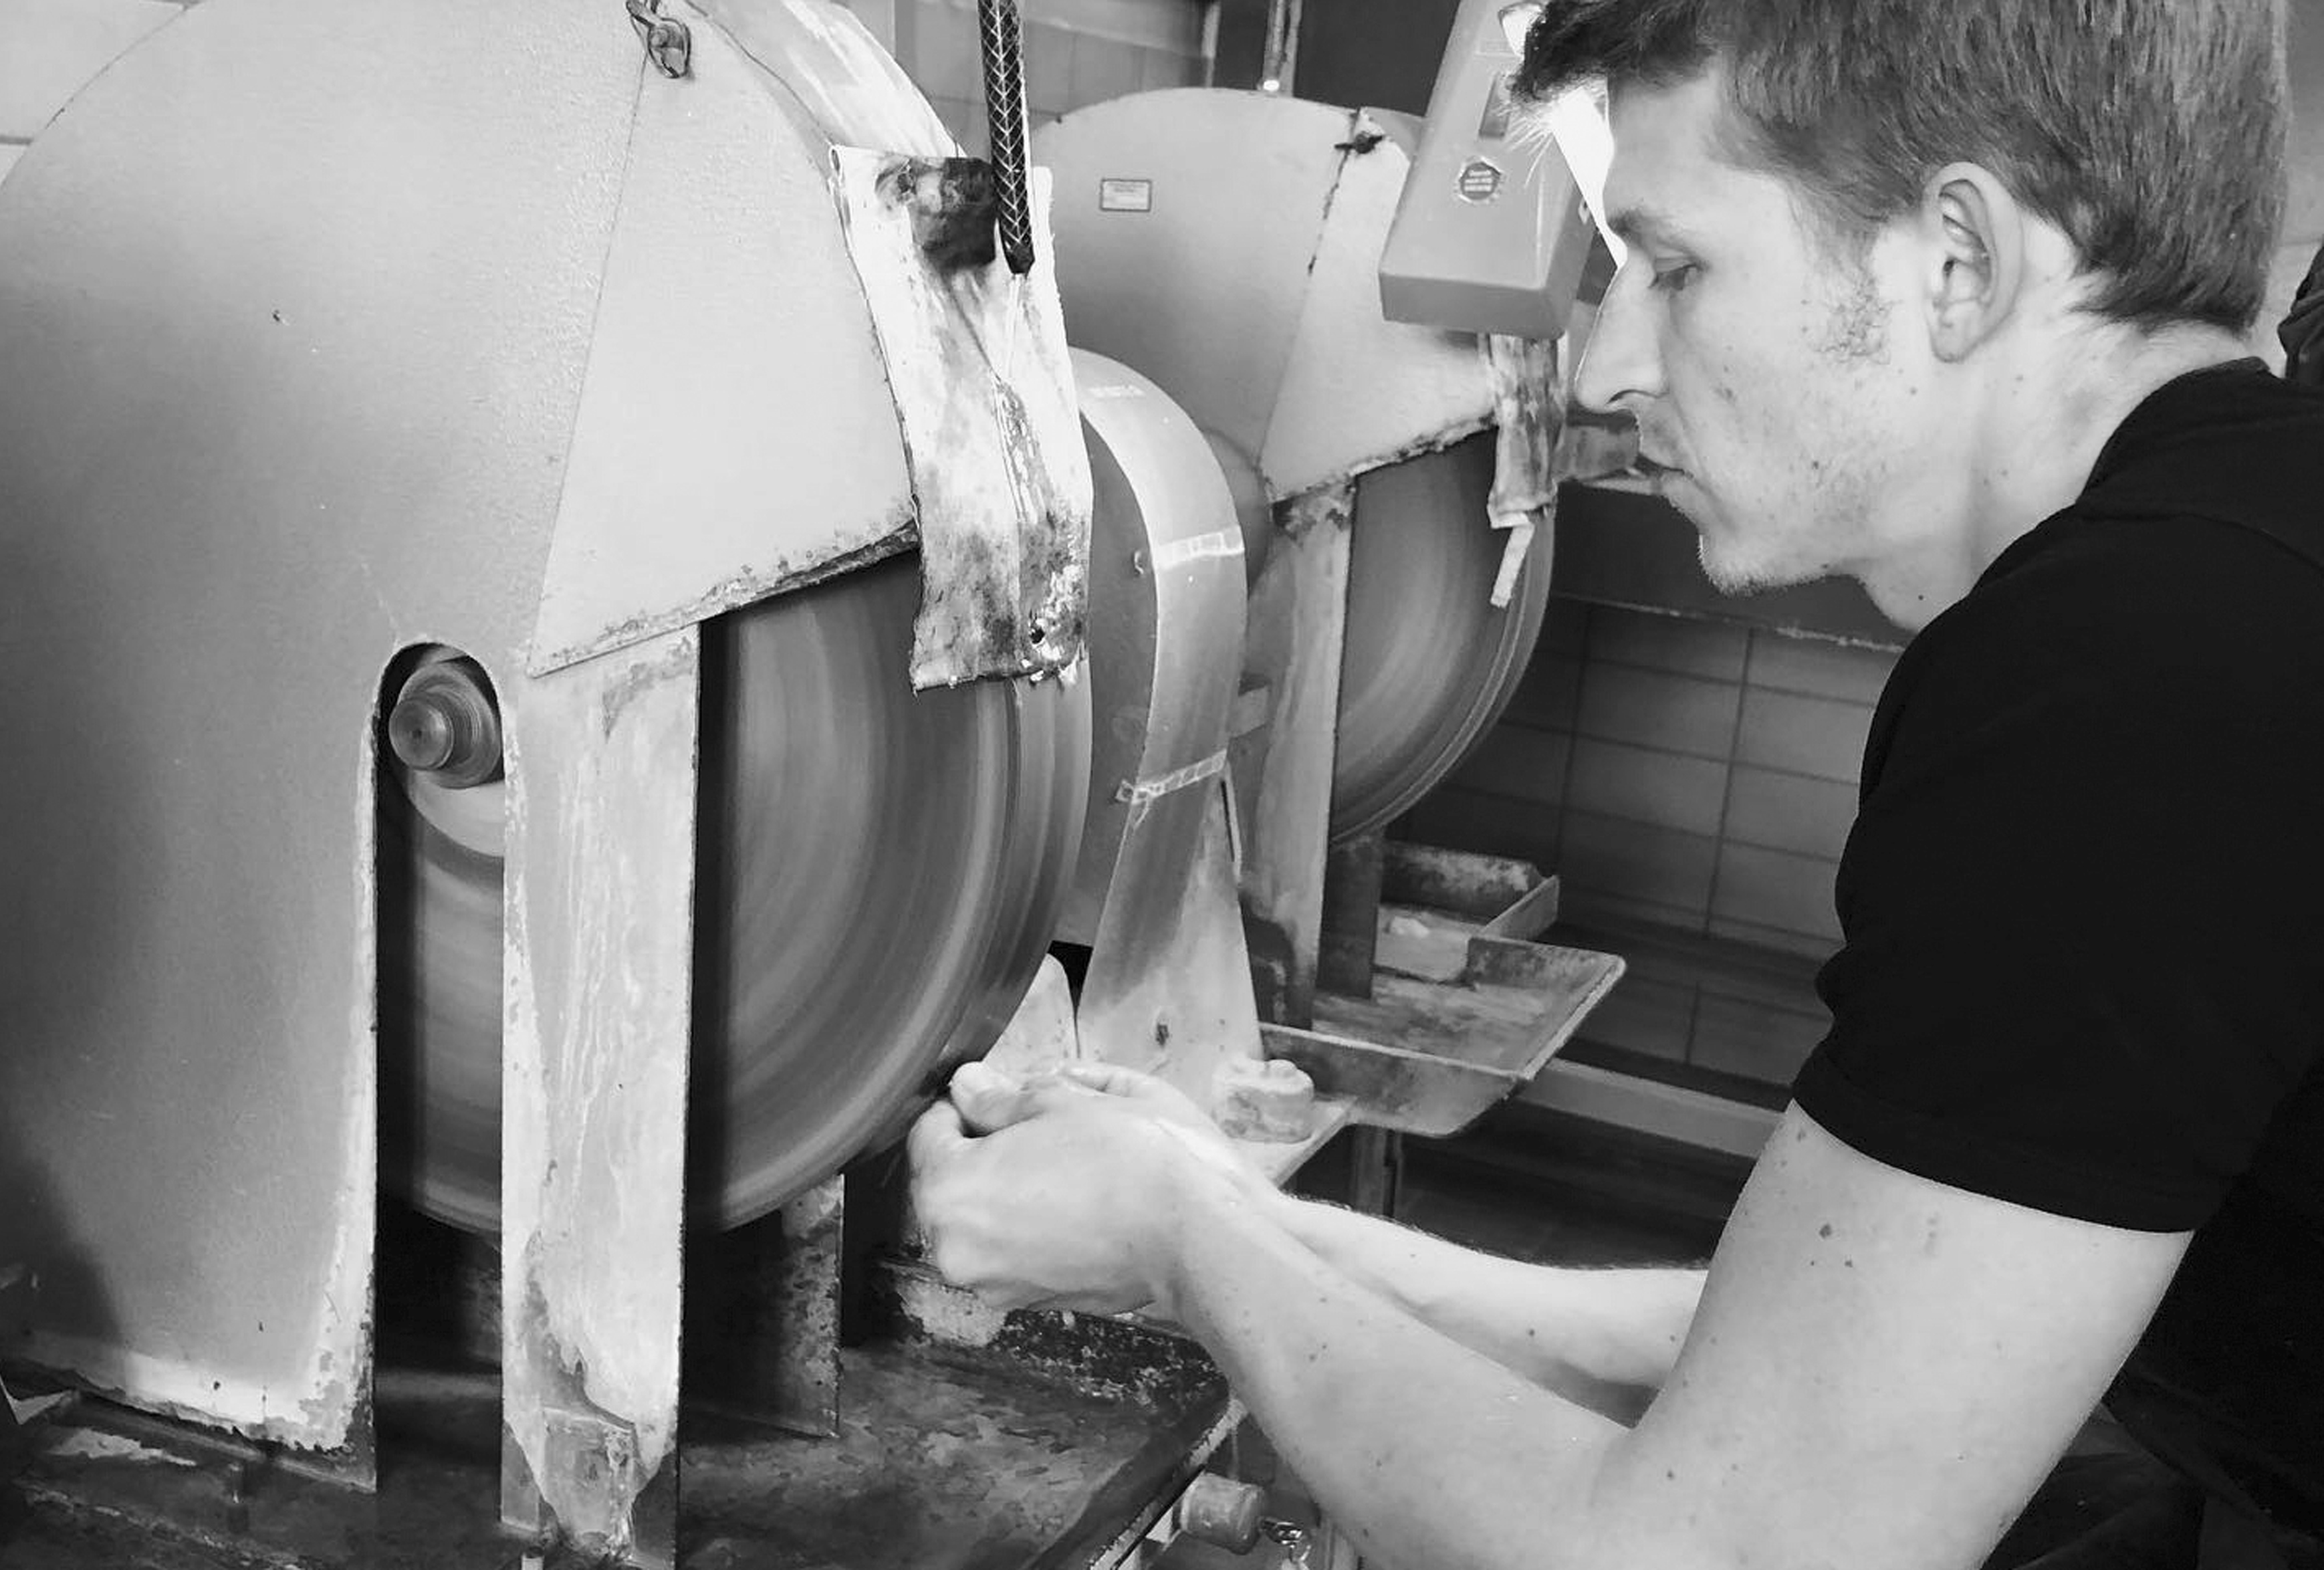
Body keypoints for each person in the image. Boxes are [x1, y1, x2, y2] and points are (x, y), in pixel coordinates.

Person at [907, 2, 2324, 1565]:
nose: (1601, 365)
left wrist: (1180, 1248)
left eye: (1674, 264)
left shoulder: (2135, 669)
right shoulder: (2234, 559)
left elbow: (1722, 1546)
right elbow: (1819, 1353)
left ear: (1958, 263)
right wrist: (1231, 1217)